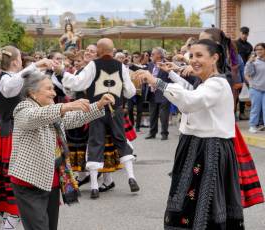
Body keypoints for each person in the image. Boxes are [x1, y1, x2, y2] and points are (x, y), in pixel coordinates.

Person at [135, 39, 244, 229]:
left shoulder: (217, 84)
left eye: (200, 55)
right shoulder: (208, 83)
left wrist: (157, 82)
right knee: (188, 200)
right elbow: (192, 92)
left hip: (209, 149)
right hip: (198, 146)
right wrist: (173, 73)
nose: (193, 60)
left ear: (215, 57)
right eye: (192, 55)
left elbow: (190, 101)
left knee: (202, 205)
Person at [9, 71, 114, 230]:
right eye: (49, 88)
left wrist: (98, 105)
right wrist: (65, 106)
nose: (53, 92)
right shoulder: (23, 108)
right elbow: (34, 117)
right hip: (29, 182)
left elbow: (74, 119)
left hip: (51, 179)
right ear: (32, 92)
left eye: (53, 88)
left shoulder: (50, 107)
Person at [0, 45, 53, 230]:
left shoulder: (16, 77)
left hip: (18, 129)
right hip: (11, 132)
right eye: (20, 58)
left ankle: (12, 220)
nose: (22, 61)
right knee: (19, 181)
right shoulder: (7, 79)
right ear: (15, 61)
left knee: (24, 180)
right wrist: (35, 64)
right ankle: (11, 221)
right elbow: (11, 87)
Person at [61, 38, 139, 199]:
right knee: (121, 141)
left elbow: (77, 84)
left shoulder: (93, 65)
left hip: (96, 109)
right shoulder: (121, 66)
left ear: (100, 51)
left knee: (96, 142)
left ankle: (95, 187)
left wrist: (62, 73)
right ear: (112, 50)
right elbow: (130, 92)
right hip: (116, 111)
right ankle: (131, 177)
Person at [145, 47, 172, 140]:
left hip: (163, 93)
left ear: (159, 55)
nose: (151, 56)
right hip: (152, 92)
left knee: (163, 114)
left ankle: (164, 133)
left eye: (153, 54)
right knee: (152, 114)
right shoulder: (150, 65)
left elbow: (172, 79)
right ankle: (152, 132)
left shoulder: (167, 64)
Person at [245, 43, 265, 133]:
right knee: (255, 108)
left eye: (261, 49)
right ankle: (252, 125)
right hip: (256, 88)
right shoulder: (254, 61)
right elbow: (248, 73)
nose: (258, 51)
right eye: (257, 50)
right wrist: (250, 62)